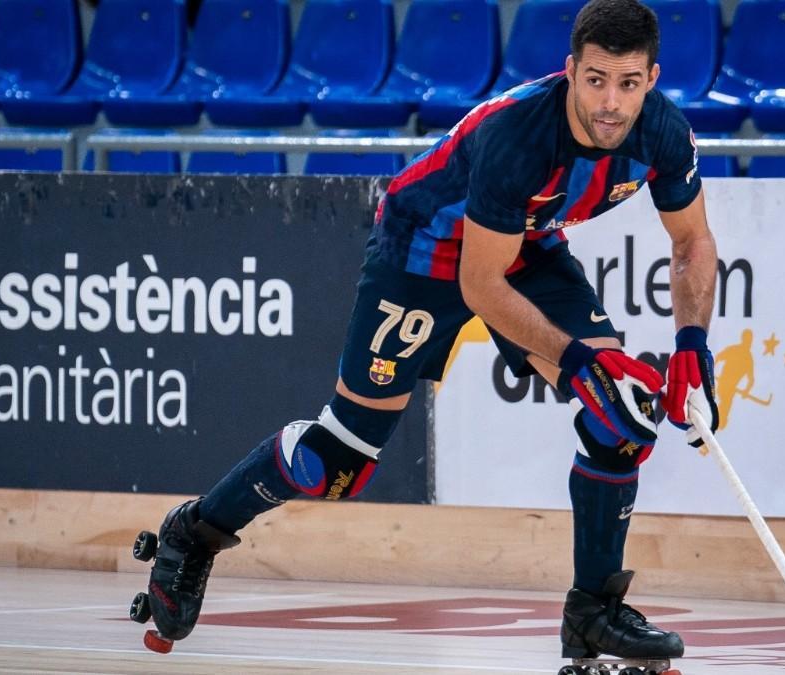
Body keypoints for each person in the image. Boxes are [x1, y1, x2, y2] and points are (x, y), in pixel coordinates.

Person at [130, 0, 721, 664]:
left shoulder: (666, 133)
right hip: (423, 251)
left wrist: (694, 346)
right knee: (338, 462)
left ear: (652, 78)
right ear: (570, 71)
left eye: (629, 83)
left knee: (622, 415)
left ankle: (593, 613)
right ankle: (197, 530)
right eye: (596, 80)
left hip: (524, 248)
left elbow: (693, 243)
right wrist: (578, 359)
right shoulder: (520, 136)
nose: (610, 102)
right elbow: (480, 285)